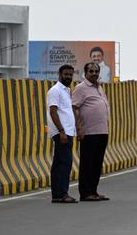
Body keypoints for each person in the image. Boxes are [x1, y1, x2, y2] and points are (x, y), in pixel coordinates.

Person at [72, 61, 111, 201]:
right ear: (85, 73)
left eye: (96, 71)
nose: (94, 74)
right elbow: (74, 107)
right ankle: (85, 193)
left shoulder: (99, 87)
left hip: (102, 131)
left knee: (97, 163)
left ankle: (93, 191)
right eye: (91, 71)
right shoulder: (81, 88)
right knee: (88, 163)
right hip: (89, 132)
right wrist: (79, 128)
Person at [46, 64, 77, 204]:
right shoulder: (55, 90)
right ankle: (62, 194)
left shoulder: (67, 90)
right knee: (65, 163)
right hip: (62, 133)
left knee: (60, 163)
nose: (68, 77)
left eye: (70, 75)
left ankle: (58, 195)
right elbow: (53, 111)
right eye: (66, 74)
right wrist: (61, 131)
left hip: (67, 132)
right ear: (60, 75)